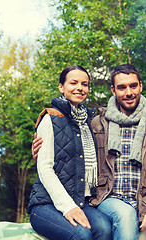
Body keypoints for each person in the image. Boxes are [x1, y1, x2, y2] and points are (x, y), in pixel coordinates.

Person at [32, 64, 146, 240]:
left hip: (145, 200)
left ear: (141, 85)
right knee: (123, 216)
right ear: (113, 90)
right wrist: (40, 151)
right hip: (106, 198)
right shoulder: (97, 123)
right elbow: (67, 152)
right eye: (122, 87)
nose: (128, 92)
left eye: (133, 86)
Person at [27, 65, 112, 240]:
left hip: (82, 200)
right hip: (46, 204)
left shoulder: (89, 122)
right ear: (61, 87)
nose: (79, 88)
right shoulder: (50, 118)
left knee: (104, 230)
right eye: (73, 83)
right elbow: (44, 168)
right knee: (82, 234)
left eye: (84, 84)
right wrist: (68, 207)